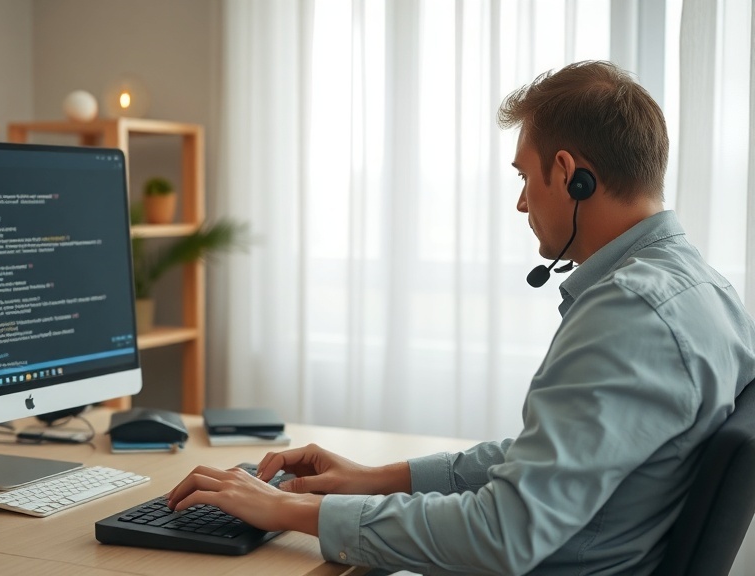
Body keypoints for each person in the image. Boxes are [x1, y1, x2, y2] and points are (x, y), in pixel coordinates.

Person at [166, 60, 755, 575]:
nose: (522, 202)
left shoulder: (629, 315)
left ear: (573, 175)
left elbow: (505, 533)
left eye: (526, 177)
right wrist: (373, 478)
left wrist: (292, 509)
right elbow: (547, 456)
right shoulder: (701, 289)